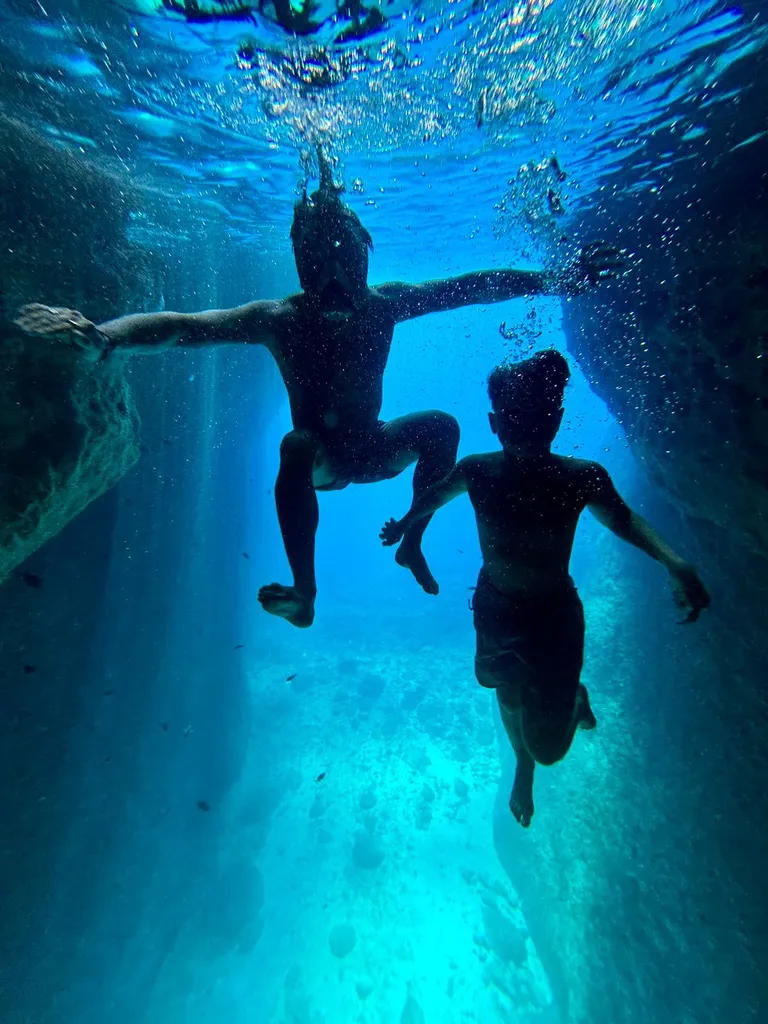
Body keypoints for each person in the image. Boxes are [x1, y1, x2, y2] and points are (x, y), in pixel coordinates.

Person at [16, 154, 621, 629]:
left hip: (375, 447)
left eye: (345, 261)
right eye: (315, 261)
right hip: (326, 463)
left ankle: (413, 538)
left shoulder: (386, 304)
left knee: (441, 425)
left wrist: (558, 277)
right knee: (298, 443)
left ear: (364, 255)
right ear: (299, 262)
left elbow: (473, 286)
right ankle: (306, 592)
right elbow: (183, 328)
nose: (332, 281)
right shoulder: (280, 317)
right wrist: (105, 336)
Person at [380, 350, 710, 827]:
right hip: (495, 606)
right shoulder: (478, 470)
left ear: (556, 418)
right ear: (495, 422)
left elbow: (623, 518)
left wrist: (675, 562)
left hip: (554, 617)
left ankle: (571, 702)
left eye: (538, 416)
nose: (528, 427)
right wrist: (407, 524)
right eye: (515, 417)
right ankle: (522, 763)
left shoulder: (581, 478)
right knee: (506, 691)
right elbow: (435, 492)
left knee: (552, 747)